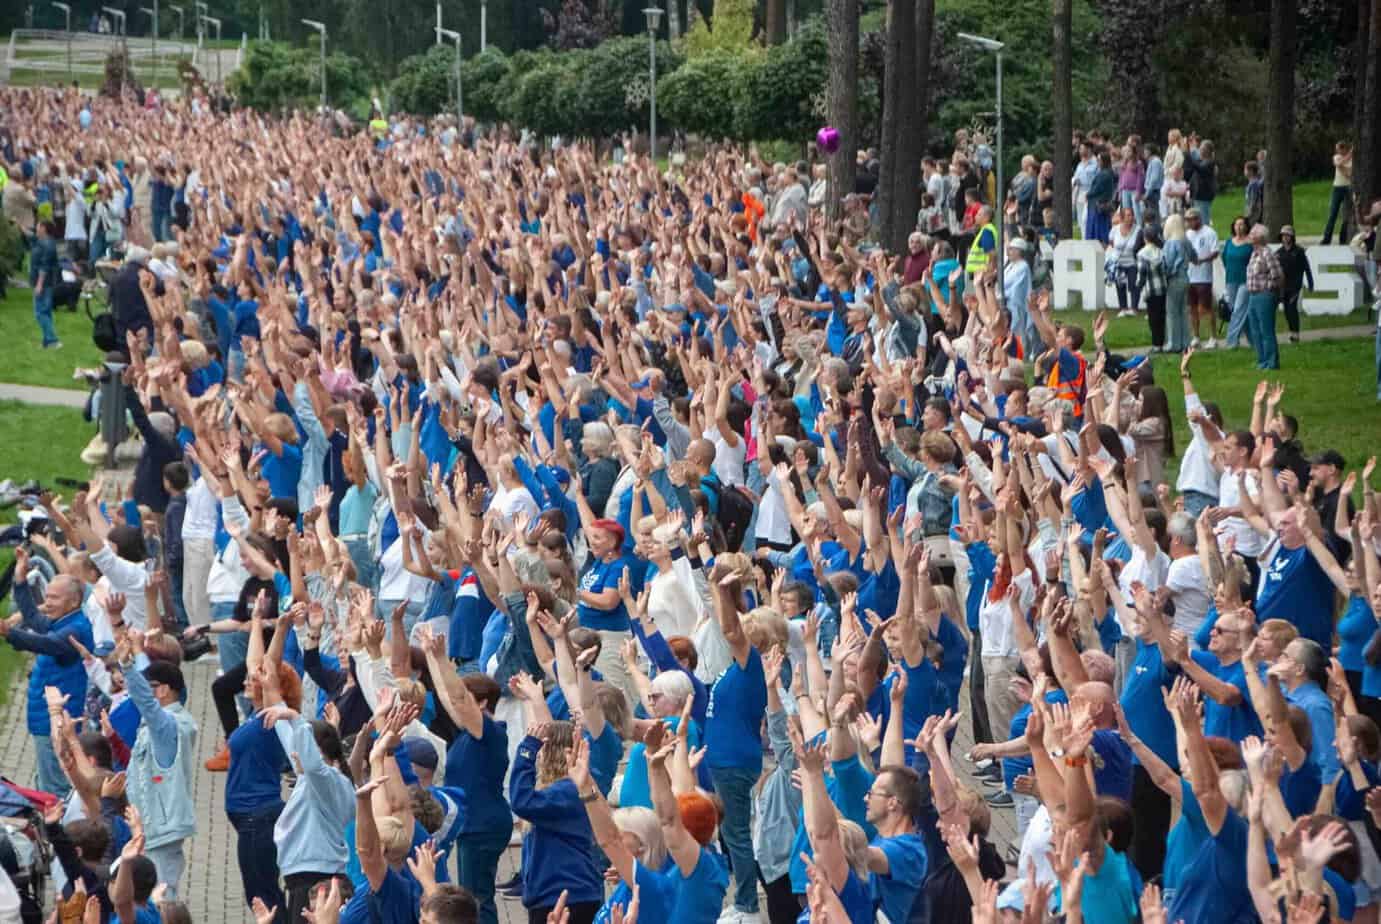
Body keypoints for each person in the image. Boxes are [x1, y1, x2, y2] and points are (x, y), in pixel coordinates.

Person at [1, 547, 93, 798]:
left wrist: (9, 632)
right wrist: (20, 580)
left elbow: (45, 643)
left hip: (56, 722)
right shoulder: (63, 621)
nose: (47, 602)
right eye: (47, 596)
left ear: (73, 602)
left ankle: (62, 822)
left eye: (54, 598)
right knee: (45, 781)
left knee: (55, 789)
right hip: (45, 719)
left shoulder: (75, 630)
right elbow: (33, 618)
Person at [1243, 223, 1283, 370]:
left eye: (1253, 233)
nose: (1250, 235)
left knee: (1266, 330)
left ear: (1260, 237)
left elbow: (1277, 274)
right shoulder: (1254, 254)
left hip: (1264, 295)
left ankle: (1272, 362)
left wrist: (1269, 287)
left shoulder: (1267, 253)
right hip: (1252, 295)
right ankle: (1262, 361)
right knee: (1255, 330)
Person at [1183, 209, 1220, 349]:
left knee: (1206, 308)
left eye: (1192, 219)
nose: (1190, 222)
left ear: (1198, 218)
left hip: (1204, 277)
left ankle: (1213, 337)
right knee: (1192, 308)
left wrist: (1202, 260)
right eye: (1188, 220)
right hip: (1189, 276)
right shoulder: (1187, 234)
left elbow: (1215, 252)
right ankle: (1196, 336)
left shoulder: (1209, 233)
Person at [1275, 225, 1313, 345]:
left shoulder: (1299, 251)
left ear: (1292, 237)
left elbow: (1306, 268)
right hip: (1283, 286)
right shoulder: (1278, 253)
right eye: (1283, 236)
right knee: (1286, 310)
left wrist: (1310, 283)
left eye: (1288, 235)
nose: (1285, 238)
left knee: (1292, 308)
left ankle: (1296, 334)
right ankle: (1292, 332)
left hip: (1295, 285)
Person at [29, 219, 61, 349]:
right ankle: (47, 341)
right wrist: (19, 224)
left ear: (43, 228)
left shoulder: (48, 245)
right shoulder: (42, 242)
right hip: (44, 283)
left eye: (37, 226)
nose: (36, 229)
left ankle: (53, 340)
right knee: (46, 312)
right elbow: (30, 235)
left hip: (45, 283)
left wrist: (39, 284)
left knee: (40, 312)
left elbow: (45, 267)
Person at [1322, 141, 1352, 244]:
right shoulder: (1337, 157)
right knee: (1333, 214)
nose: (1337, 151)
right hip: (1337, 188)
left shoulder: (1352, 159)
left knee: (1346, 215)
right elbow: (1338, 164)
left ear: (1344, 149)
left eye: (1339, 149)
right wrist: (1349, 155)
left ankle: (1343, 239)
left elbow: (1349, 173)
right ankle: (1326, 239)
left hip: (1348, 188)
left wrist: (1343, 168)